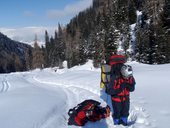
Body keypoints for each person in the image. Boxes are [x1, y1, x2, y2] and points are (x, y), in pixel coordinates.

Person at [106, 55, 136, 126]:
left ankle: (124, 122)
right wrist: (120, 89)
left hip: (126, 97)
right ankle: (116, 123)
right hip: (116, 99)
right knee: (117, 112)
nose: (127, 78)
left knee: (125, 111)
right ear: (122, 73)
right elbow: (109, 91)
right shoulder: (114, 77)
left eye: (128, 77)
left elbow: (132, 87)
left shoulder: (129, 75)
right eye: (126, 77)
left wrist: (130, 86)